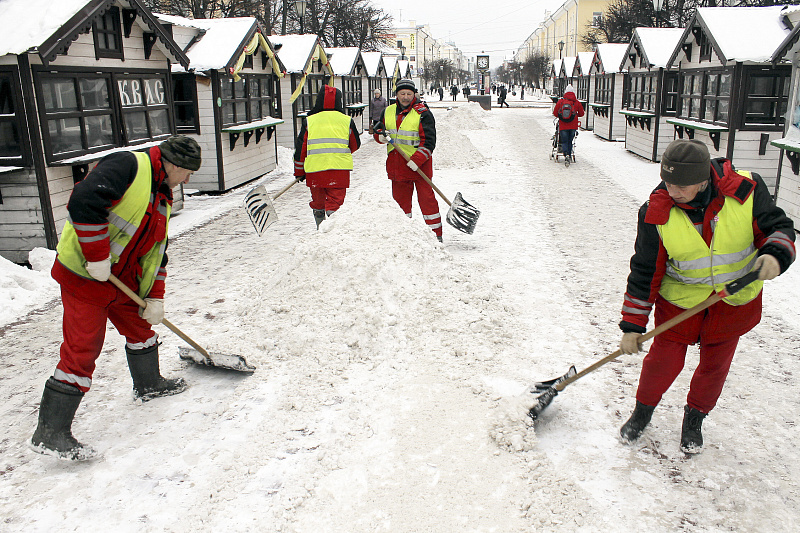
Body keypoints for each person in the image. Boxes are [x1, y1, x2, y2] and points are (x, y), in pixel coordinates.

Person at [617, 139, 796, 454]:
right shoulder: (656, 212)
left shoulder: (746, 191)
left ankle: (694, 420)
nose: (673, 191)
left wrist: (775, 254)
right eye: (668, 182)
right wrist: (632, 324)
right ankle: (642, 412)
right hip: (680, 303)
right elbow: (645, 271)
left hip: (732, 302)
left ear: (703, 179)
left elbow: (778, 228)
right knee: (662, 363)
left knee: (714, 367)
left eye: (682, 186)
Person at [31, 135, 202, 461]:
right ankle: (50, 433)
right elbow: (83, 199)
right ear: (175, 164)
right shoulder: (128, 165)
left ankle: (149, 384)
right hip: (86, 276)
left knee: (141, 328)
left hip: (121, 281)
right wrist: (95, 256)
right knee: (82, 350)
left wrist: (155, 298)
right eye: (188, 172)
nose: (189, 179)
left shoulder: (161, 197)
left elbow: (156, 256)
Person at [373, 78, 442, 242]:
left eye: (409, 94)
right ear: (397, 94)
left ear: (414, 94)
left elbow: (429, 141)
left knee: (428, 203)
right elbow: (378, 129)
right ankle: (403, 237)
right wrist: (380, 137)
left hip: (419, 167)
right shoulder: (388, 111)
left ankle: (435, 236)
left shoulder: (422, 112)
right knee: (400, 204)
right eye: (402, 93)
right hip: (397, 166)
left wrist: (417, 159)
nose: (405, 97)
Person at [293, 85, 361, 229]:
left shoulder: (309, 121)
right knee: (335, 202)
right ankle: (333, 231)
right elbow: (355, 144)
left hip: (315, 171)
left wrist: (299, 172)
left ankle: (320, 229)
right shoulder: (346, 121)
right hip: (339, 171)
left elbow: (301, 150)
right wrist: (340, 153)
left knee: (318, 202)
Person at [552, 84, 584, 163]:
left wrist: (561, 116)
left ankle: (565, 153)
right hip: (573, 126)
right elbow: (581, 113)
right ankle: (569, 154)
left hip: (563, 125)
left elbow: (555, 113)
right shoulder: (576, 102)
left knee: (564, 140)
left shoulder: (561, 102)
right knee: (570, 141)